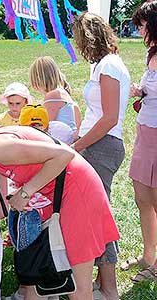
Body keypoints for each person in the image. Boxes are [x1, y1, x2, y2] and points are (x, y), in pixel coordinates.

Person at [0, 116, 120, 300]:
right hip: (56, 195)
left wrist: (25, 193)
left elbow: (64, 154)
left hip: (78, 192)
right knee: (35, 279)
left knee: (77, 288)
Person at [71, 12, 130, 300]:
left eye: (80, 41)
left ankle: (109, 288)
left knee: (99, 217)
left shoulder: (108, 66)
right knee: (97, 215)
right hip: (98, 144)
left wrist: (79, 145)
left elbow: (108, 118)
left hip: (101, 147)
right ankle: (103, 282)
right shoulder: (105, 65)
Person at [122, 0, 157, 282]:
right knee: (142, 198)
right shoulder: (151, 54)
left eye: (142, 24)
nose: (139, 29)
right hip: (145, 133)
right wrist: (141, 92)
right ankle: (148, 256)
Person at [29, 56, 81, 140]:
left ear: (38, 79)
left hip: (61, 141)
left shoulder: (52, 96)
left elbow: (45, 127)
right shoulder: (62, 93)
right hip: (69, 139)